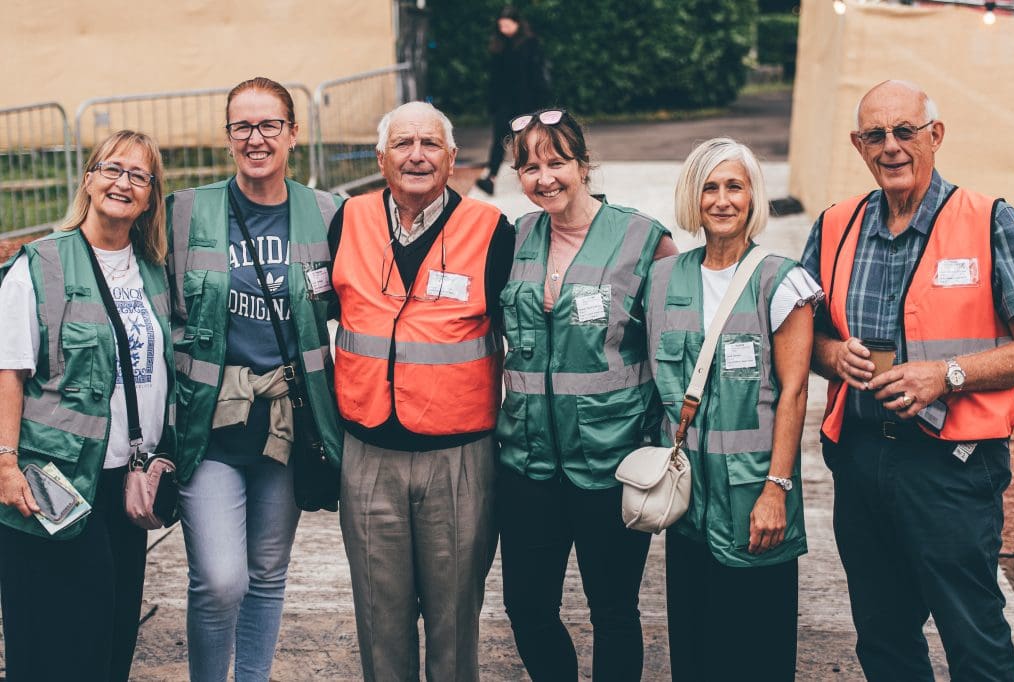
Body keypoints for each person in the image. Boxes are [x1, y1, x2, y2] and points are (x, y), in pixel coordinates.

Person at [801, 80, 1014, 680]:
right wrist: (830, 355)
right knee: (882, 635)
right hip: (861, 457)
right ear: (858, 144)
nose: (891, 146)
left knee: (972, 632)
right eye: (875, 135)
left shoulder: (990, 221)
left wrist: (947, 375)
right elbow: (799, 336)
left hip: (951, 464)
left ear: (936, 137)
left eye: (906, 132)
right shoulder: (835, 225)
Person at [165, 76, 343, 681]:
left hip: (288, 425)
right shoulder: (187, 211)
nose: (256, 138)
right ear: (228, 136)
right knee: (219, 579)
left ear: (293, 133)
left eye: (270, 125)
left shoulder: (327, 214)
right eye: (242, 126)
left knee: (266, 576)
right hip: (210, 423)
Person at [330, 100, 514, 681]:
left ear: (453, 158)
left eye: (430, 144)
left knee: (455, 619)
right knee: (378, 617)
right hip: (368, 456)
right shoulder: (347, 219)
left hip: (458, 459)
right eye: (403, 144)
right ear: (381, 158)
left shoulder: (491, 230)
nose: (417, 156)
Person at [496, 108, 677, 681]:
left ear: (584, 164)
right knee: (525, 607)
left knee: (614, 611)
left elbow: (674, 345)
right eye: (529, 167)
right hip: (528, 462)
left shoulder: (644, 238)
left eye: (557, 162)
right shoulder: (517, 237)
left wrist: (669, 437)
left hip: (611, 461)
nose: (544, 178)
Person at [0, 130, 174, 681]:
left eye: (138, 176)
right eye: (111, 168)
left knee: (115, 630)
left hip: (124, 478)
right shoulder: (41, 264)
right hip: (52, 477)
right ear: (88, 178)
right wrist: (4, 463)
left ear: (150, 197)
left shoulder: (154, 271)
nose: (122, 182)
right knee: (57, 630)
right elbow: (9, 370)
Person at [644, 137, 818, 681]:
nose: (722, 200)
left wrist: (777, 490)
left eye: (734, 187)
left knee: (755, 653)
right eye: (709, 188)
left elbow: (794, 392)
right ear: (693, 199)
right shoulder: (664, 279)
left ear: (752, 197)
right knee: (694, 650)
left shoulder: (781, 279)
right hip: (689, 502)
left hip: (754, 500)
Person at [475, 5, 549, 196]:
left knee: (526, 142)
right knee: (499, 140)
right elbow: (494, 79)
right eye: (501, 25)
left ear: (517, 24)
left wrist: (539, 105)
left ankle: (533, 177)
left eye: (507, 25)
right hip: (504, 103)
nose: (504, 29)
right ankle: (491, 177)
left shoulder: (530, 44)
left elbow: (536, 76)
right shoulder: (498, 45)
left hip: (526, 103)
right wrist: (492, 103)